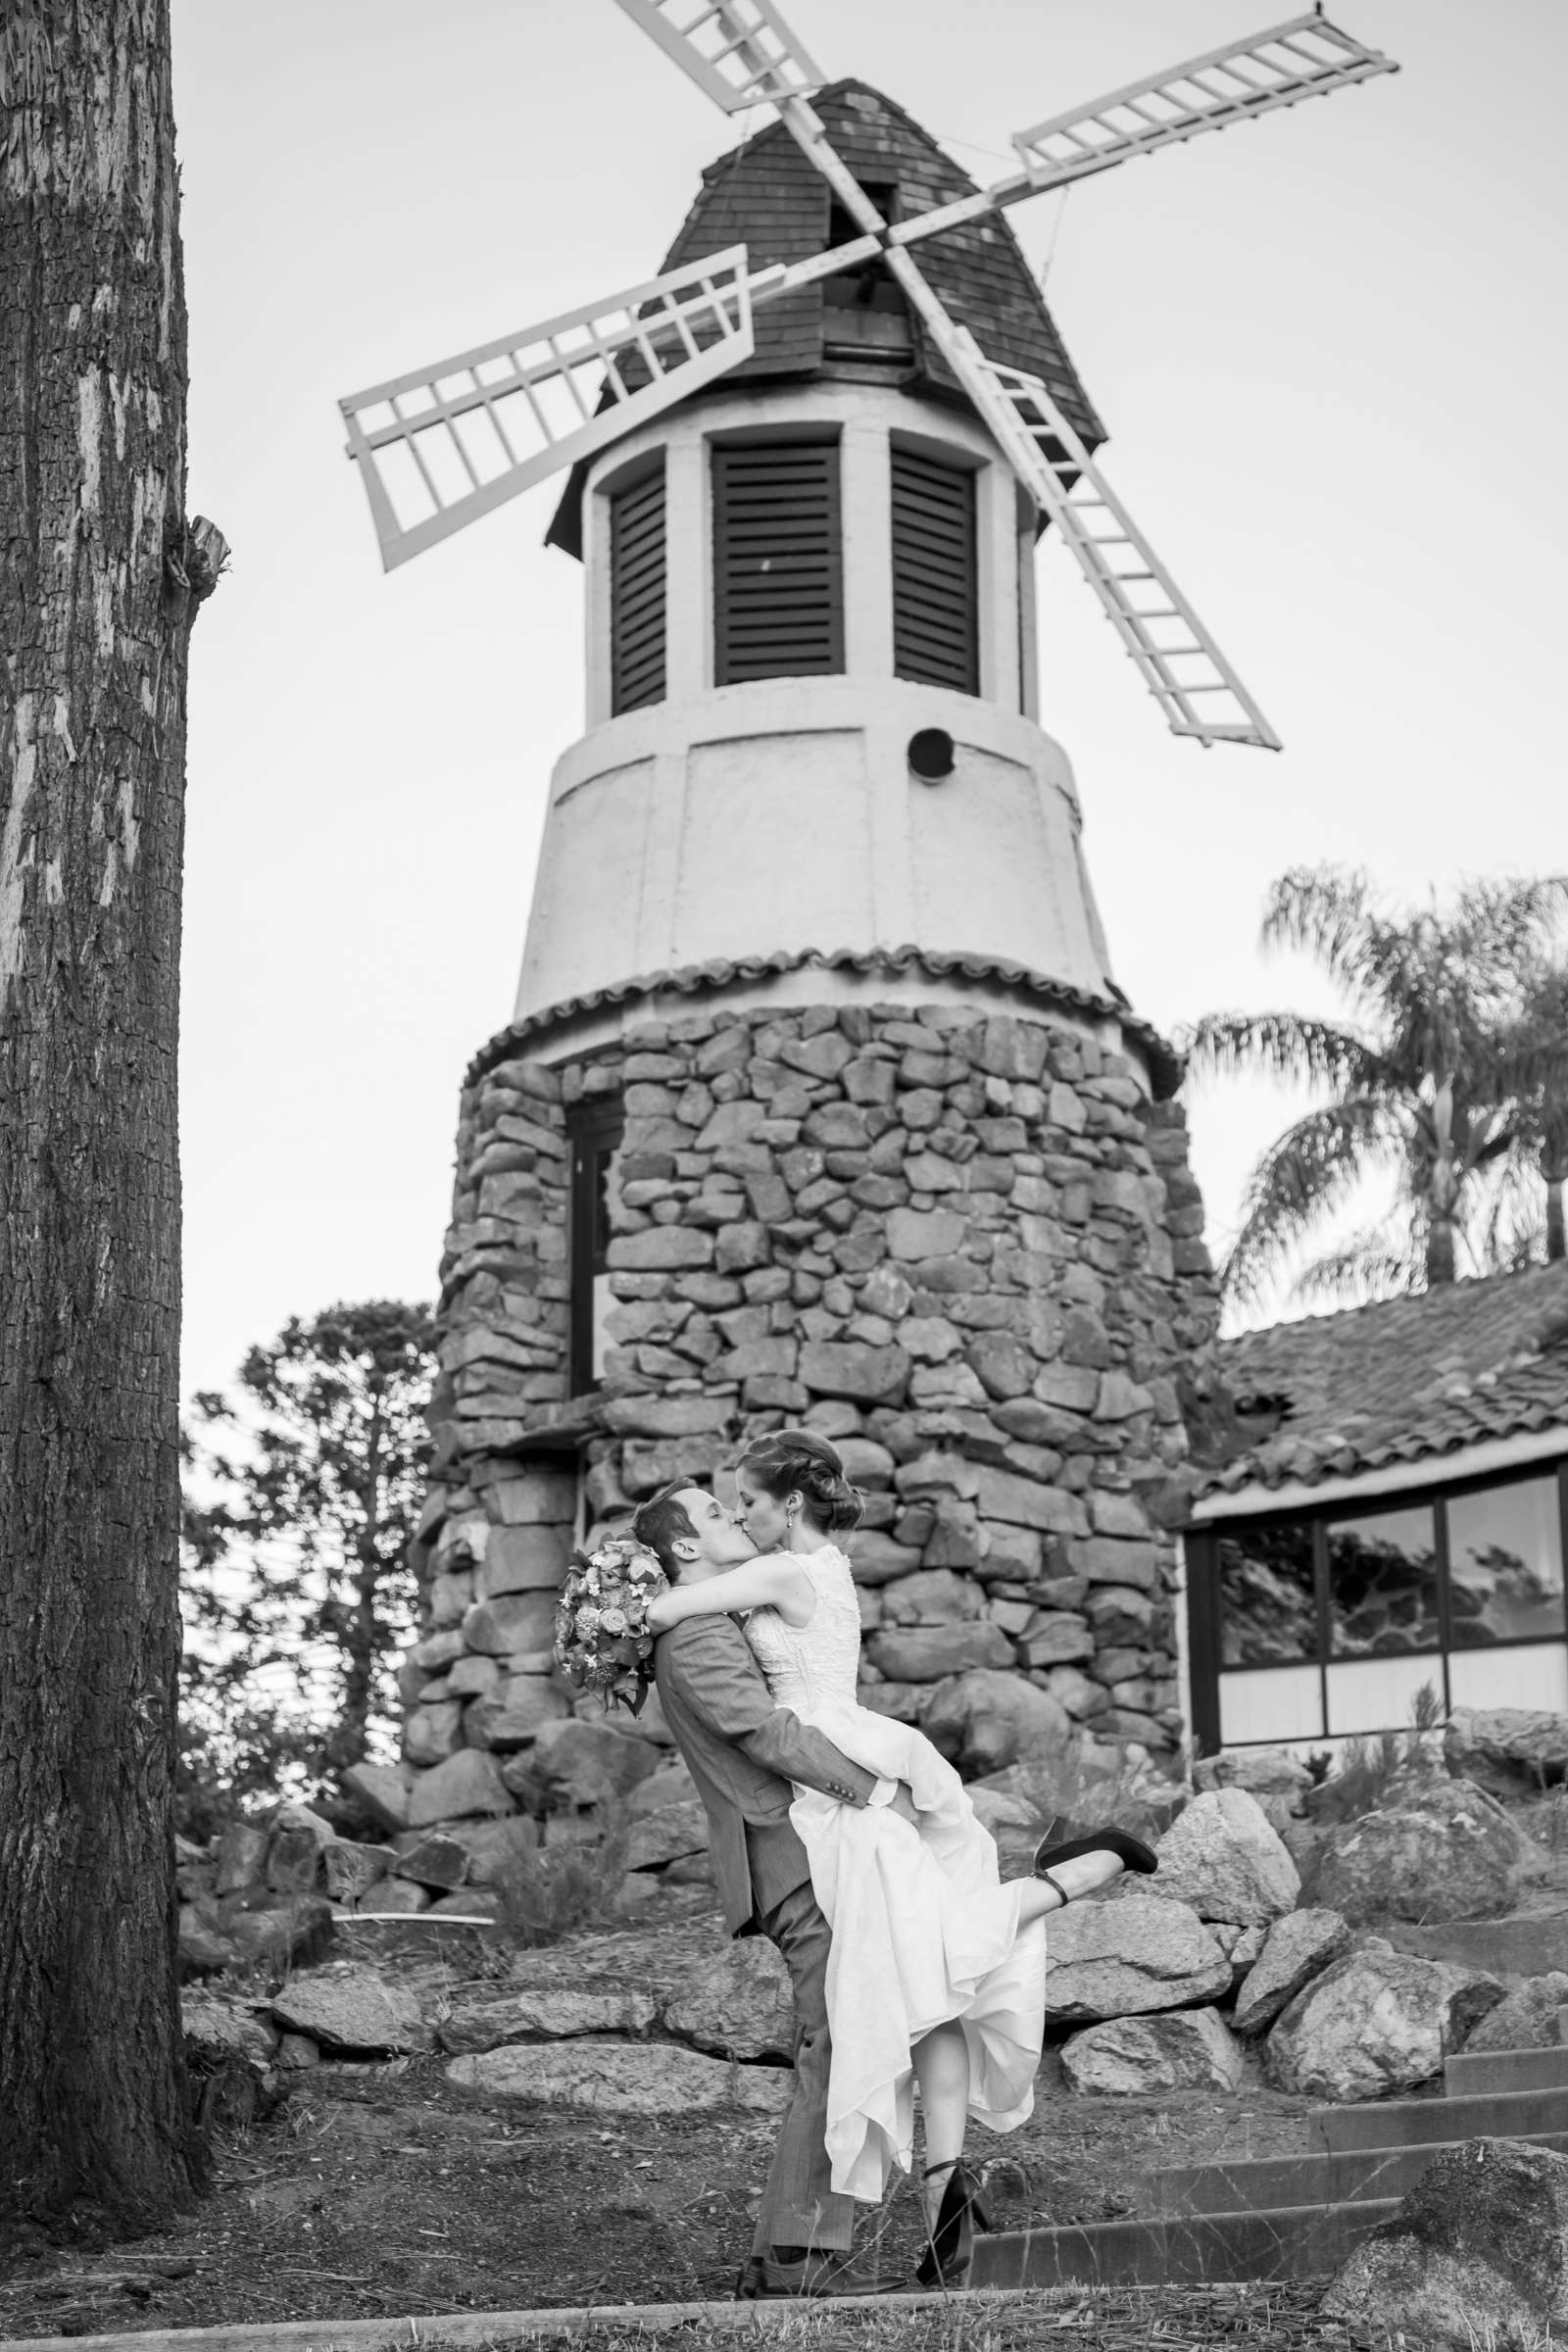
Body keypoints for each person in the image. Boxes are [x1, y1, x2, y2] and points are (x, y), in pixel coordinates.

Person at [633, 1433, 1156, 2292]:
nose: (738, 1515)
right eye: (721, 1511)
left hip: (828, 1814)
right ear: (687, 1544)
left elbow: (767, 1711)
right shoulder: (700, 1632)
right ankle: (807, 2256)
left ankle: (894, 2225)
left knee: (912, 1994)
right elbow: (763, 1731)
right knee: (878, 2007)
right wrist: (873, 1794)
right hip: (808, 1831)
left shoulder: (743, 1598)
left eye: (745, 1502)